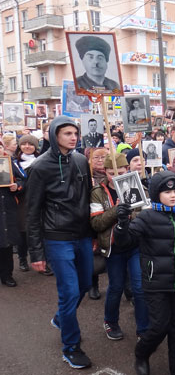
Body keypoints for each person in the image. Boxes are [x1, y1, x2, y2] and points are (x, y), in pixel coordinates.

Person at [114, 171, 175, 375]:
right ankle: (142, 353)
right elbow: (125, 242)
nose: (173, 195)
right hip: (156, 283)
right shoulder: (147, 216)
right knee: (159, 327)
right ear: (156, 194)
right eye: (167, 192)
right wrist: (122, 223)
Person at [26, 116, 94, 369]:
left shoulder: (80, 160)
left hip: (83, 235)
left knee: (85, 284)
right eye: (67, 133)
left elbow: (87, 199)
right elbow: (32, 212)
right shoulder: (40, 167)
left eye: (75, 133)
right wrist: (36, 253)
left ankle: (60, 318)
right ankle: (71, 347)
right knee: (69, 292)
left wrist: (94, 234)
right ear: (54, 135)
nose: (73, 137)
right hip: (56, 238)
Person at [90, 153, 149, 342]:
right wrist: (116, 210)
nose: (115, 176)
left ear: (127, 170)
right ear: (105, 171)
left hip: (134, 245)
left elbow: (145, 215)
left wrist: (129, 215)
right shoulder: (97, 192)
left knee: (139, 288)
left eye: (121, 172)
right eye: (110, 172)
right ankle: (110, 321)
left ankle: (143, 328)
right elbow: (97, 223)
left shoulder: (134, 185)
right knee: (115, 287)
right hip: (113, 247)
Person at [13, 134, 39, 272]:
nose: (27, 146)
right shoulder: (14, 163)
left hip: (39, 200)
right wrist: (17, 186)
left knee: (39, 231)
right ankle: (23, 258)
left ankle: (40, 259)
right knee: (23, 232)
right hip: (22, 202)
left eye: (30, 144)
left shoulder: (41, 160)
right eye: (24, 144)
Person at [0, 139, 23, 287]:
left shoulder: (8, 162)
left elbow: (23, 179)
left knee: (5, 242)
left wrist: (17, 186)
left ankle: (7, 274)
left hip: (6, 208)